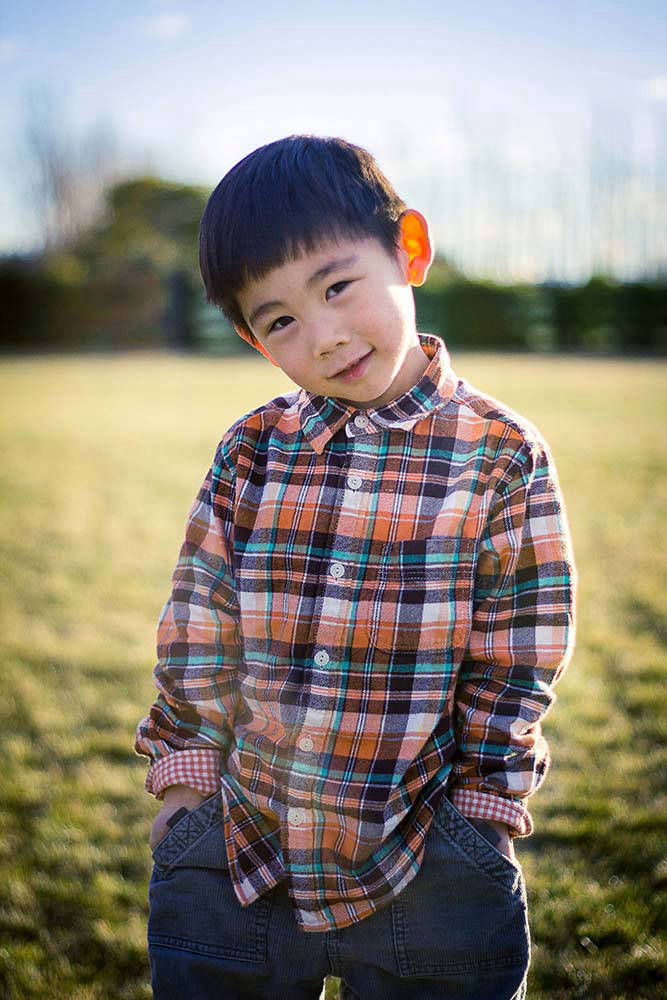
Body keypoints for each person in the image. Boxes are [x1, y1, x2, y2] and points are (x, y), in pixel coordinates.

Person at [135, 135, 577, 1000]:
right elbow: (201, 614)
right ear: (254, 341)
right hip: (242, 842)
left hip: (428, 850)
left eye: (337, 286)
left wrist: (486, 808)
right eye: (282, 320)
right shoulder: (253, 449)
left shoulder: (500, 454)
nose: (325, 336)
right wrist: (186, 780)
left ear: (407, 250)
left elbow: (518, 650)